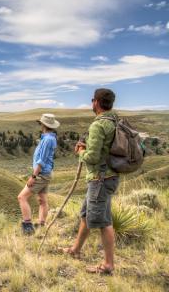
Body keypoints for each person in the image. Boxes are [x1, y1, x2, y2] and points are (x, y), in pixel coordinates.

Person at [62, 88, 119, 275]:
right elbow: (103, 149)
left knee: (104, 222)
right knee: (86, 214)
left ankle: (108, 265)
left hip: (100, 178)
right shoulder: (114, 121)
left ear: (96, 102)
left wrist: (80, 152)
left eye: (92, 100)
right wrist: (89, 148)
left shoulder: (98, 125)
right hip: (108, 176)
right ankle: (75, 250)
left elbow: (93, 157)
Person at [17, 113, 59, 235]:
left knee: (22, 197)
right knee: (42, 200)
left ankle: (27, 226)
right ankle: (41, 224)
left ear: (44, 125)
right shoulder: (48, 138)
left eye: (41, 123)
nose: (40, 125)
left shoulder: (48, 139)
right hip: (46, 173)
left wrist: (33, 176)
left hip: (41, 174)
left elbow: (42, 160)